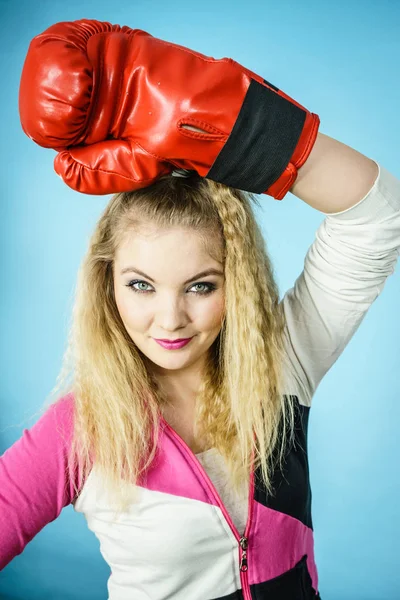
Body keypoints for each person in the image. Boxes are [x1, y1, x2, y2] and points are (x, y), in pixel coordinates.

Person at [1, 18, 399, 600]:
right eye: (141, 286)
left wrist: (246, 132)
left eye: (201, 286)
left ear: (236, 286)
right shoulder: (80, 429)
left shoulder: (282, 366)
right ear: (106, 285)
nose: (170, 320)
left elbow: (377, 215)